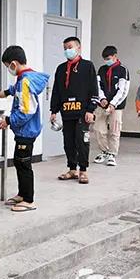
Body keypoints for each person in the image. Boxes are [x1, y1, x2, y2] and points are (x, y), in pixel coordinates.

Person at [0, 46, 49, 212]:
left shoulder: (25, 81)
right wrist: (7, 92)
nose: (8, 70)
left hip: (26, 130)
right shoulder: (24, 78)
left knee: (24, 164)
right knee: (19, 162)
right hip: (23, 130)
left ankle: (29, 200)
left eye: (7, 66)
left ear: (13, 64)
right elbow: (19, 91)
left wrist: (8, 120)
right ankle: (22, 194)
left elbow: (26, 110)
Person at [50, 37, 99, 184]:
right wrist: (54, 110)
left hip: (82, 112)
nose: (67, 50)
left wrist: (91, 110)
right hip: (67, 112)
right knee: (68, 142)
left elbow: (94, 89)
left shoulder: (87, 66)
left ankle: (83, 170)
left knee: (81, 141)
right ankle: (72, 169)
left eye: (70, 47)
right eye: (65, 48)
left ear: (78, 48)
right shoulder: (61, 68)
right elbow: (56, 91)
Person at [93, 45, 130, 167]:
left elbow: (123, 90)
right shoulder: (102, 69)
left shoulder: (123, 70)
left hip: (116, 106)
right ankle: (104, 151)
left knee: (114, 131)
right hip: (102, 105)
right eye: (104, 59)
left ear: (115, 56)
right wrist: (102, 98)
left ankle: (112, 154)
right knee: (98, 129)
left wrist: (113, 103)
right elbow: (98, 86)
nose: (106, 61)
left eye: (108, 58)